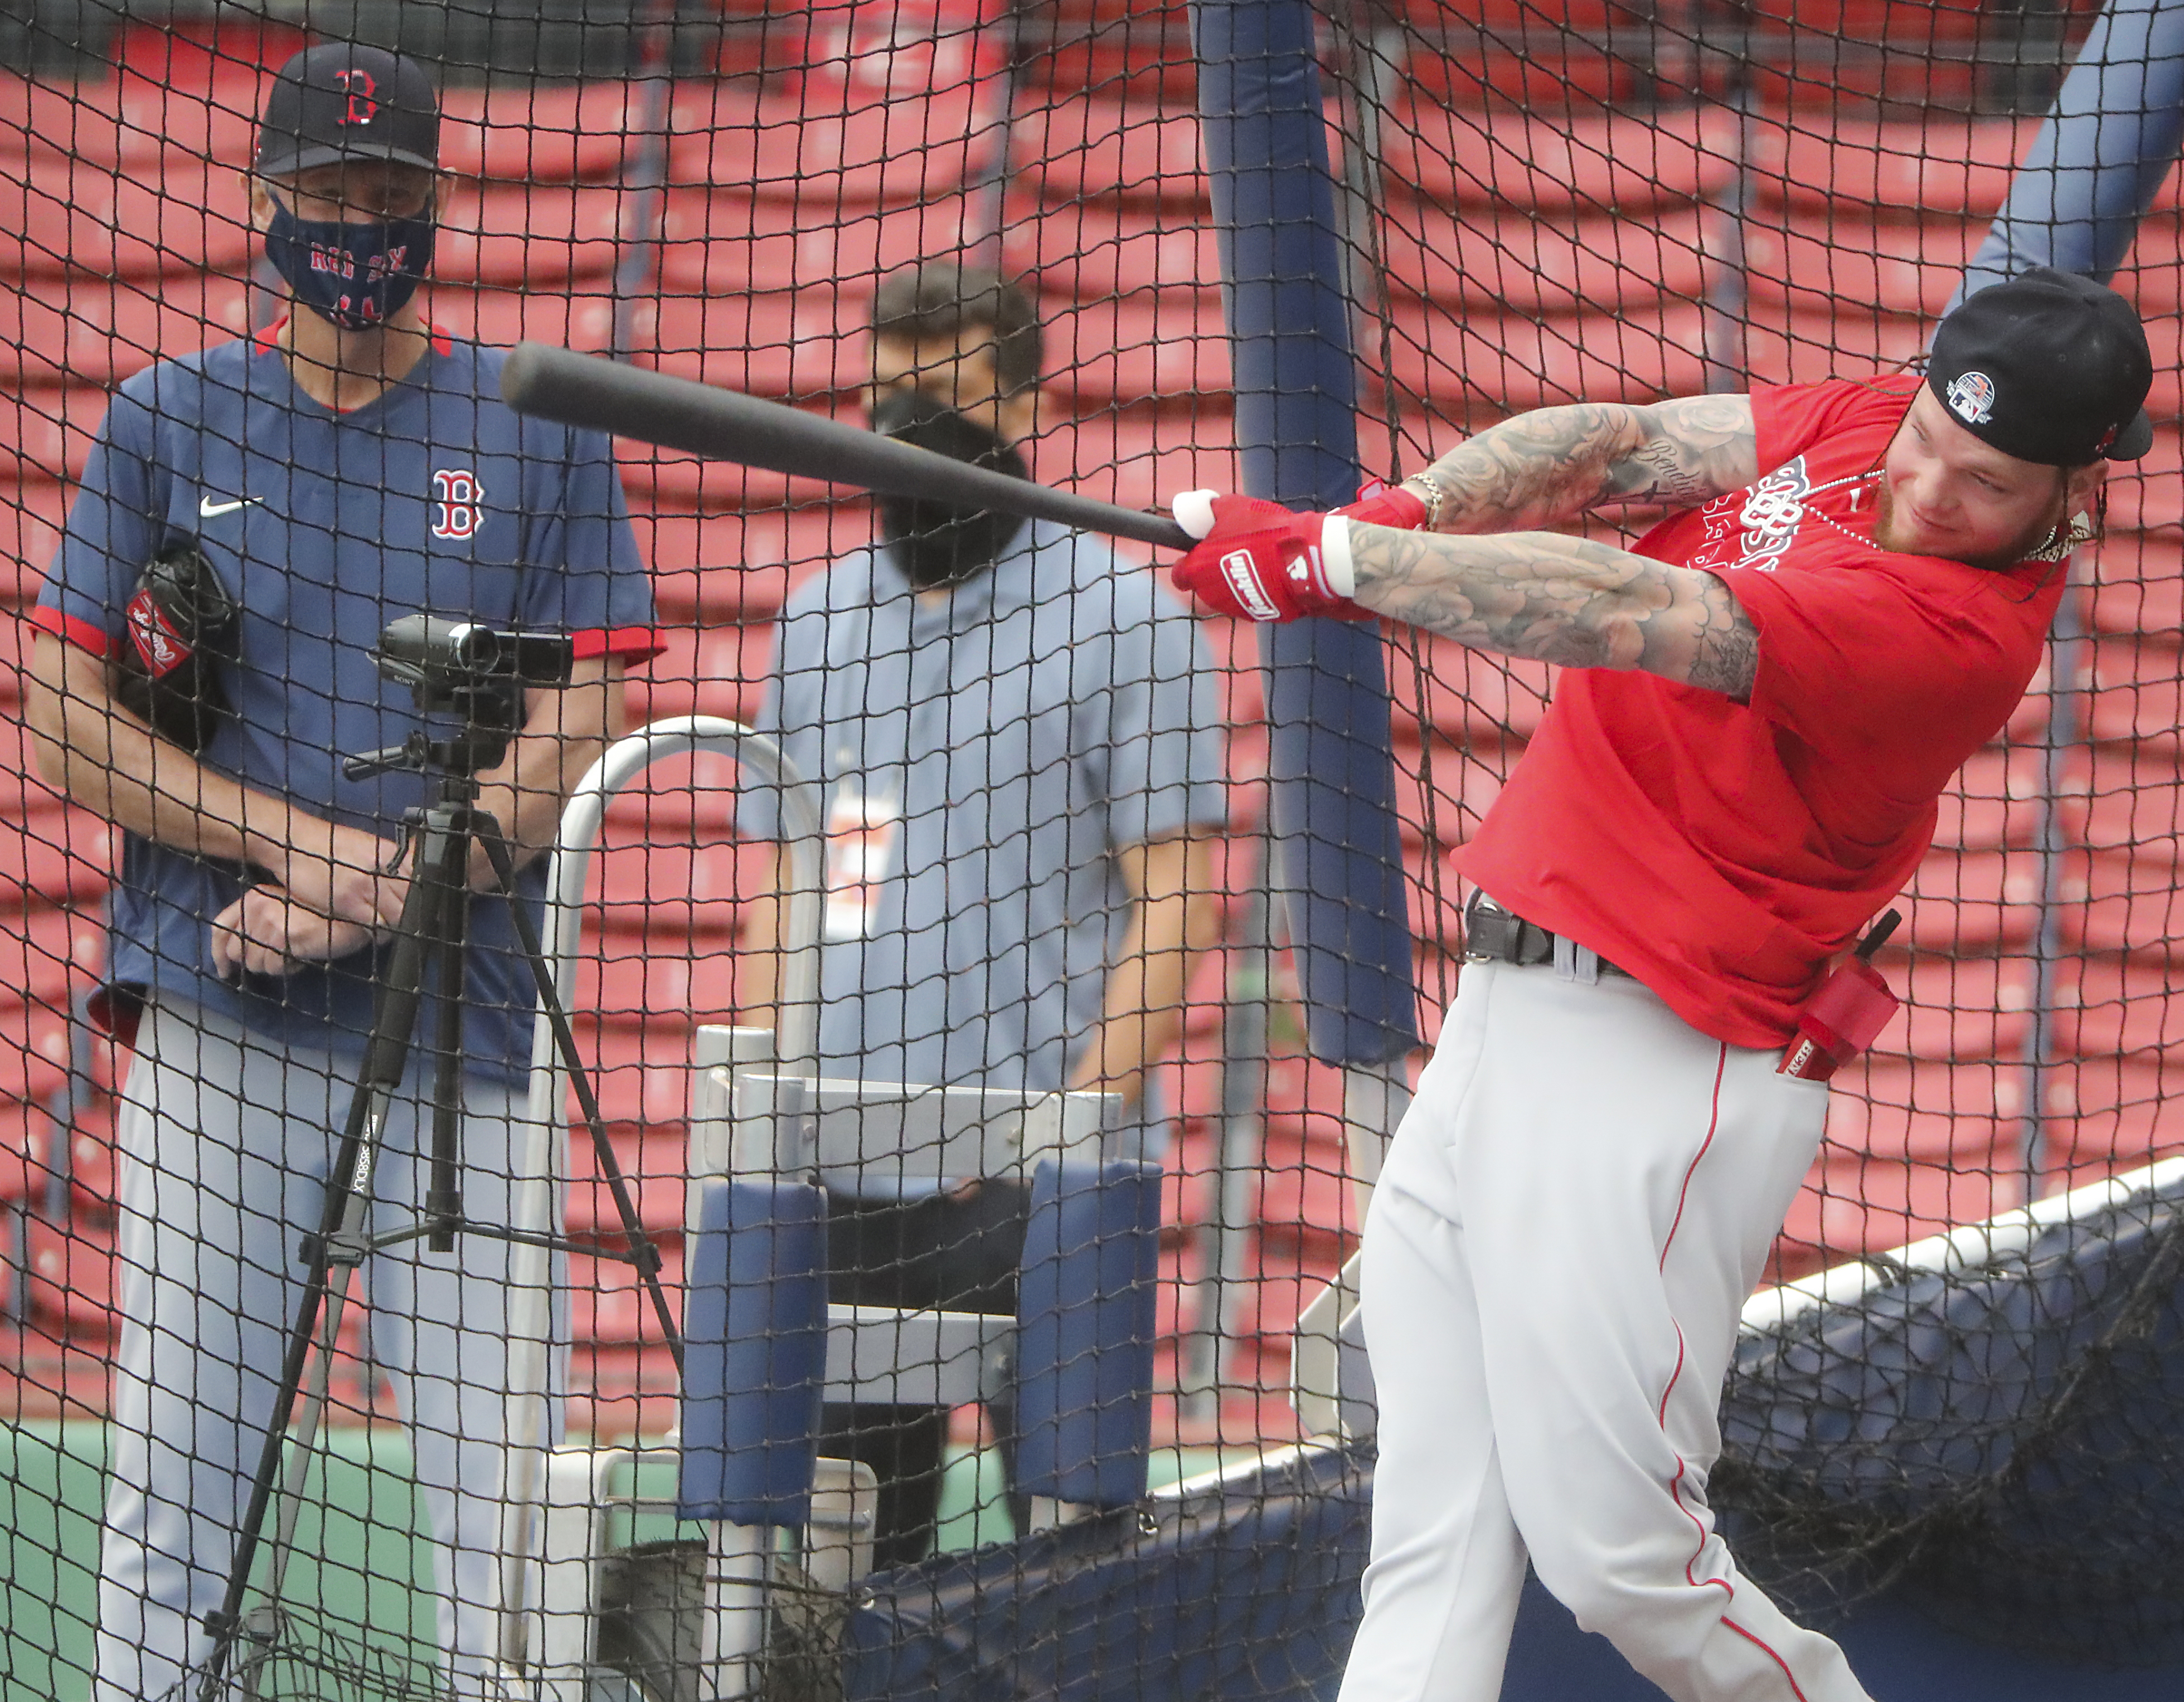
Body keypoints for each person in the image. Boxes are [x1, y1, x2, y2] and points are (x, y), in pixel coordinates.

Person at [1165, 266, 2148, 1702]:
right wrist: (1400, 514)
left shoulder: (1953, 635)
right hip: (1506, 1019)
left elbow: (1620, 600)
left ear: (2073, 497)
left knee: (1621, 1552)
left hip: (1660, 1067)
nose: (1925, 487)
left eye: (1984, 482)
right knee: (1430, 1535)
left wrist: (1336, 563)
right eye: (1928, 437)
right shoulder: (1877, 419)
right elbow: (1619, 450)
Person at [24, 45, 659, 1701]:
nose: (359, 226)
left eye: (392, 199)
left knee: (499, 1501)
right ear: (262, 205)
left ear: (440, 209)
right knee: (180, 1482)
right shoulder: (167, 416)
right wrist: (300, 845)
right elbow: (58, 719)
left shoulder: (535, 415)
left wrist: (397, 884)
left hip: (468, 1027)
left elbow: (593, 699)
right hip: (220, 1004)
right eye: (328, 196)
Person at [737, 261, 1227, 1563]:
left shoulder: (1129, 621)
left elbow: (1178, 892)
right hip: (843, 1172)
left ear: (1027, 411)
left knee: (1075, 1569)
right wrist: (769, 1101)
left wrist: (1067, 1123)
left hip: (1046, 1189)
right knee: (838, 1580)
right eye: (892, 398)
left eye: (949, 397)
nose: (915, 431)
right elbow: (799, 873)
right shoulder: (817, 625)